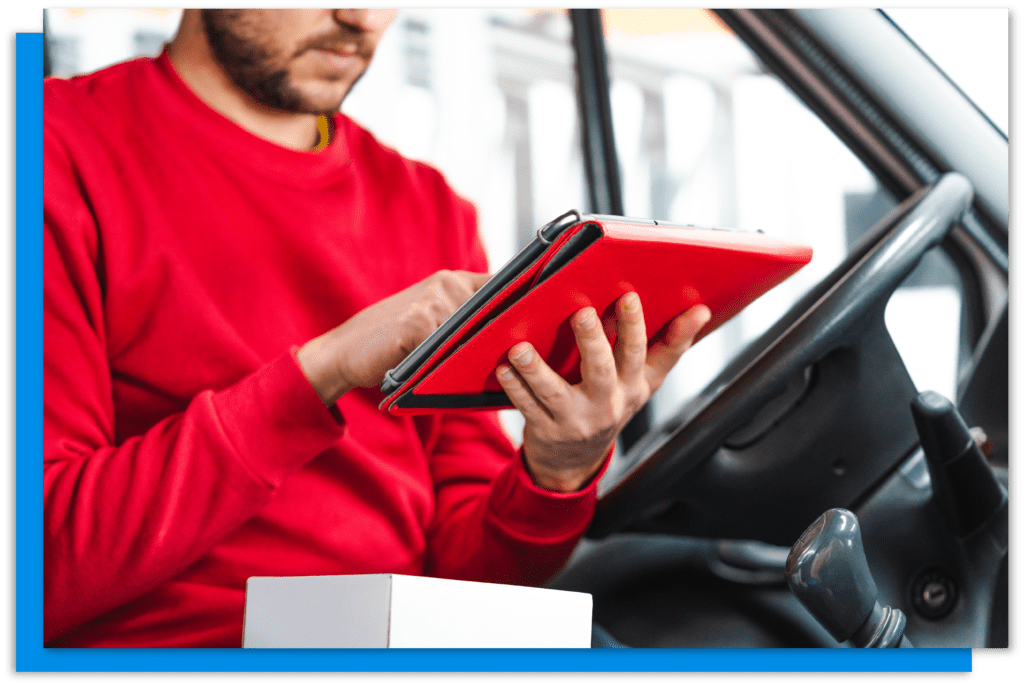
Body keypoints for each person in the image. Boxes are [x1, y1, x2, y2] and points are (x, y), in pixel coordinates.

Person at [43, 8, 711, 648]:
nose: (362, 18)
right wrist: (321, 371)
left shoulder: (431, 207)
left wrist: (559, 468)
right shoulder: (51, 147)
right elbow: (41, 567)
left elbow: (473, 584)